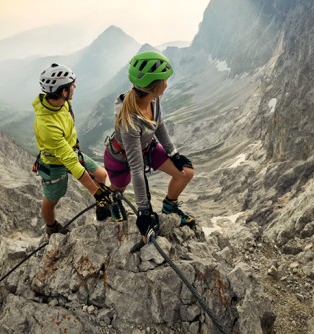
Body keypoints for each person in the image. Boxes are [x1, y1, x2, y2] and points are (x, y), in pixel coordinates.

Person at [103, 51, 195, 243]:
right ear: (154, 85)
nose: (167, 84)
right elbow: (137, 170)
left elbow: (158, 125)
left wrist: (173, 153)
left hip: (147, 148)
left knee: (186, 172)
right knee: (119, 188)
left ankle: (169, 207)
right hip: (120, 157)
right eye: (164, 80)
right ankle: (111, 200)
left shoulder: (153, 99)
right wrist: (144, 211)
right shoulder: (129, 122)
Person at [33, 63, 115, 237]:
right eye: (72, 85)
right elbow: (70, 162)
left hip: (71, 151)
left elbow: (71, 156)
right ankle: (51, 227)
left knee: (101, 175)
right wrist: (97, 192)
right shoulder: (46, 124)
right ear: (63, 91)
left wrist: (99, 192)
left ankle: (102, 211)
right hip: (54, 163)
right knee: (52, 199)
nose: (75, 87)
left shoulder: (61, 103)